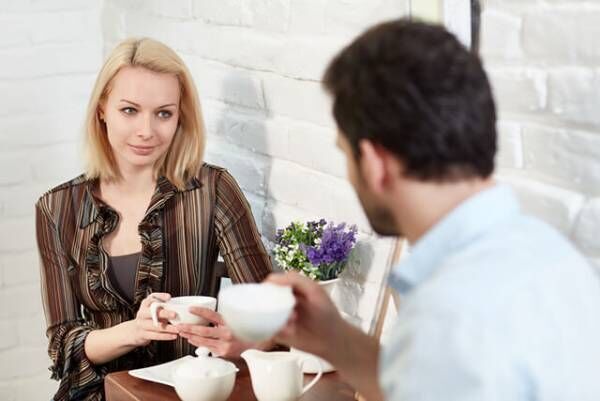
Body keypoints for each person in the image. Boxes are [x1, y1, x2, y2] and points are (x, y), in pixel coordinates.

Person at [267, 19, 600, 401]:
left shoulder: (448, 318)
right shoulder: (552, 255)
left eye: (345, 152)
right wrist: (334, 338)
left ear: (375, 163)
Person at [35, 37, 273, 401]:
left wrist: (240, 339)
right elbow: (63, 344)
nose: (147, 131)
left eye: (164, 113)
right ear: (102, 110)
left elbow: (268, 314)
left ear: (180, 116)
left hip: (193, 390)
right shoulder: (57, 208)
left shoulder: (212, 190)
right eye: (129, 110)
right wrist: (134, 330)